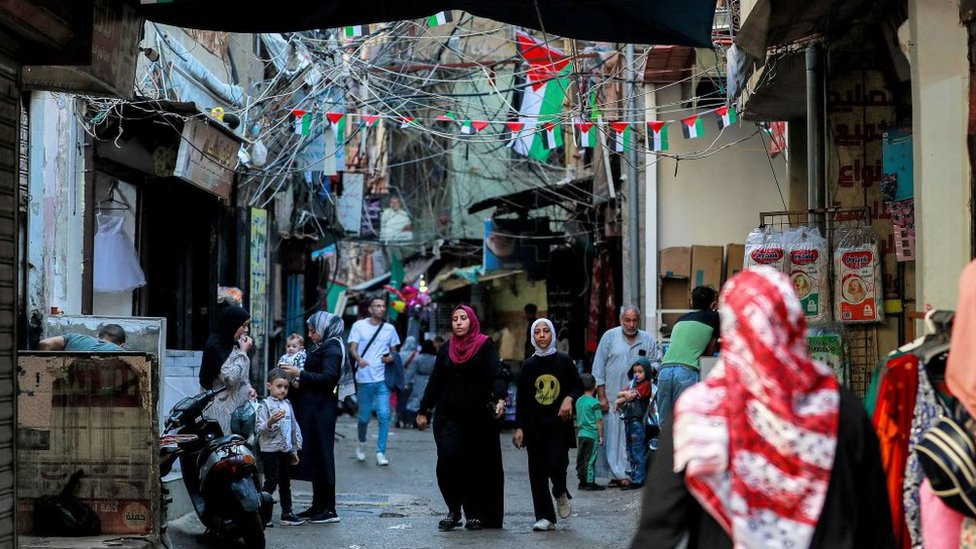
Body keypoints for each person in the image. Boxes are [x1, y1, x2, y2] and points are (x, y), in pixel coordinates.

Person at [631, 267, 894, 548]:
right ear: (793, 321)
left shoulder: (699, 414)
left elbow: (659, 529)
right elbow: (874, 522)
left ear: (730, 329)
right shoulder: (838, 407)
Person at [416, 305, 508, 531]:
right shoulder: (446, 348)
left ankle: (473, 513)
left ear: (472, 321)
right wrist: (423, 410)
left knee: (473, 466)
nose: (458, 322)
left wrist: (500, 398)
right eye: (455, 318)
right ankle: (453, 509)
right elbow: (435, 381)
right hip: (447, 417)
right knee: (447, 462)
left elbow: (497, 373)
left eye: (463, 318)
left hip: (477, 419)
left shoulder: (485, 345)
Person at [512, 318, 583, 532]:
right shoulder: (529, 365)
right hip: (534, 427)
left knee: (557, 462)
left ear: (552, 334)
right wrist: (519, 427)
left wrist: (569, 399)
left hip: (559, 426)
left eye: (546, 331)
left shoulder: (563, 361)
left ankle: (560, 490)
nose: (542, 335)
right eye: (538, 332)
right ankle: (544, 517)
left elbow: (577, 386)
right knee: (537, 472)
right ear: (533, 337)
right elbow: (522, 400)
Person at [281, 311, 344, 525]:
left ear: (325, 329)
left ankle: (329, 508)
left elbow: (328, 378)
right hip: (314, 408)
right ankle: (319, 505)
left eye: (313, 330)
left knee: (324, 455)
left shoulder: (332, 348)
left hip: (321, 409)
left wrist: (299, 373)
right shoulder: (325, 346)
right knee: (316, 454)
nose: (309, 335)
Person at [591, 305, 659, 488]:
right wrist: (602, 396)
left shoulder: (647, 339)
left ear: (639, 320)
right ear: (621, 320)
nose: (631, 324)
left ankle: (628, 474)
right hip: (614, 398)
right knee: (613, 440)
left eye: (634, 320)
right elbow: (598, 368)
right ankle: (619, 474)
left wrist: (648, 371)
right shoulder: (609, 337)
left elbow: (656, 363)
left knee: (632, 441)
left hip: (637, 403)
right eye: (627, 320)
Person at [348, 296, 401, 466]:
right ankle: (362, 443)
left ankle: (380, 452)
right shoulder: (359, 326)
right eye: (377, 306)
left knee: (384, 415)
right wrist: (359, 359)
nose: (381, 309)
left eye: (383, 306)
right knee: (363, 418)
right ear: (370, 309)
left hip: (383, 380)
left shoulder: (390, 329)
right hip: (364, 379)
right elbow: (352, 348)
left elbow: (394, 352)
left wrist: (390, 358)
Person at [656, 286, 719, 425]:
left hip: (664, 371)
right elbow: (708, 354)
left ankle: (664, 446)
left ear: (692, 302)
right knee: (684, 421)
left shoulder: (681, 319)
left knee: (665, 422)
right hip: (686, 371)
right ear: (713, 304)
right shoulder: (714, 317)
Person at [256, 368, 304, 527]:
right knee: (270, 482)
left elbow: (293, 428)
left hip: (285, 450)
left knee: (285, 482)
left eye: (286, 387)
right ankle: (264, 516)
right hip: (270, 450)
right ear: (269, 386)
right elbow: (259, 429)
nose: (282, 390)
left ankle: (287, 513)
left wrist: (294, 450)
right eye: (279, 386)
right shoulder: (264, 405)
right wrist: (270, 422)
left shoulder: (287, 404)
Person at [199, 305, 256, 435]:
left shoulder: (235, 344)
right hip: (221, 414)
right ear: (232, 325)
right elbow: (229, 377)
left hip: (238, 413)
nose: (246, 330)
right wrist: (243, 353)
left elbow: (242, 375)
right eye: (243, 325)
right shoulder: (215, 346)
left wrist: (248, 388)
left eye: (248, 325)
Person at [614, 357, 653, 489]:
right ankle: (634, 475)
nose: (637, 374)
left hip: (637, 423)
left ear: (646, 372)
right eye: (635, 371)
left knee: (637, 451)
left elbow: (628, 397)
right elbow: (619, 394)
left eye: (640, 371)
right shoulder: (632, 385)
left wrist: (619, 400)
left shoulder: (645, 385)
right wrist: (622, 396)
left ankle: (638, 479)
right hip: (628, 422)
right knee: (630, 451)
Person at [575, 373, 605, 491]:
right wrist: (601, 436)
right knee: (590, 459)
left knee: (581, 458)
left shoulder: (578, 401)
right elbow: (599, 421)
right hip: (592, 435)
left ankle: (581, 480)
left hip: (581, 434)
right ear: (595, 386)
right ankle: (590, 482)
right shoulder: (595, 403)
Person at [403, 340, 436, 427]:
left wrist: (405, 382)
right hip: (431, 380)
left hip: (419, 380)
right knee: (430, 400)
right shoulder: (435, 359)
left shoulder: (418, 358)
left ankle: (415, 421)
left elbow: (411, 372)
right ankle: (427, 420)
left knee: (416, 399)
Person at [38, 324, 127, 351]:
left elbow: (45, 343)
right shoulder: (122, 353)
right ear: (121, 345)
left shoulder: (73, 337)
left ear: (97, 336)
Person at [395, 336, 419, 428]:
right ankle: (409, 421)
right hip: (413, 381)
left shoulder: (400, 354)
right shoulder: (416, 354)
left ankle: (400, 420)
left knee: (401, 401)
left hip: (401, 381)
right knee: (410, 401)